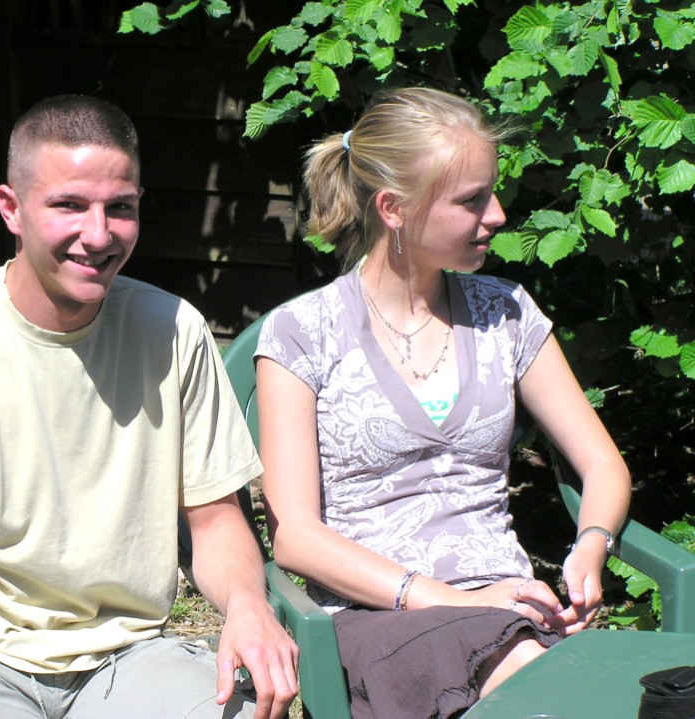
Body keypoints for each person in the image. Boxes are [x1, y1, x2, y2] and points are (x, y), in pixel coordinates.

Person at [0, 94, 298, 719]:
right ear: (11, 208)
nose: (99, 235)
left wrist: (248, 605)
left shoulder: (175, 332)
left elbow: (215, 520)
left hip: (129, 657)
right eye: (69, 205)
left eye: (119, 207)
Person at [253, 87, 631, 719]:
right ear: (394, 209)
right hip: (376, 614)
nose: (498, 215)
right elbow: (295, 537)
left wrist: (590, 547)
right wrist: (451, 600)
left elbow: (603, 464)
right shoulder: (302, 334)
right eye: (471, 199)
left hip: (510, 607)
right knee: (547, 686)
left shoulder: (506, 313)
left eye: (493, 192)